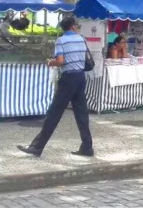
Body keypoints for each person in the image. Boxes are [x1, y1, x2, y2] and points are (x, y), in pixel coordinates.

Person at [17, 17, 93, 157]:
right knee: (81, 113)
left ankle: (37, 147)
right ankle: (87, 147)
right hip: (80, 78)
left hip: (68, 78)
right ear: (73, 27)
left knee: (54, 113)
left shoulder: (61, 41)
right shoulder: (81, 39)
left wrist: (50, 62)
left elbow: (60, 61)